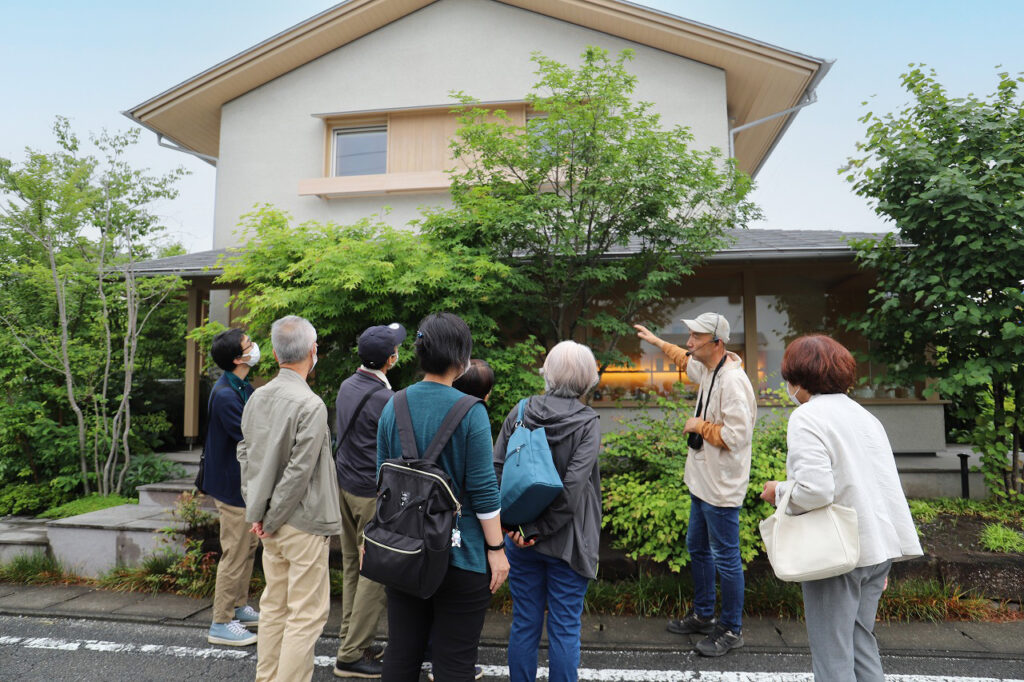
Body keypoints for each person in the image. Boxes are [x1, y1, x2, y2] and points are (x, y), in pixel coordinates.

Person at [761, 335, 922, 681]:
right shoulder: (864, 416)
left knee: (832, 655)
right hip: (877, 548)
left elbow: (815, 491)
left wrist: (778, 491)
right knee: (861, 643)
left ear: (799, 377)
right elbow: (882, 485)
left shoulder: (807, 417)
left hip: (837, 554)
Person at [376, 313, 510, 682]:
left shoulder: (394, 405)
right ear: (461, 358)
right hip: (461, 554)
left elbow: (381, 483)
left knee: (401, 655)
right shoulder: (471, 412)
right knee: (454, 664)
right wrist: (497, 551)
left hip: (404, 550)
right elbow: (484, 492)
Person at [634, 313, 756, 657]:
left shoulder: (733, 382)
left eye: (695, 337)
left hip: (721, 487)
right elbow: (681, 357)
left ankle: (732, 628)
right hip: (701, 481)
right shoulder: (709, 369)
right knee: (698, 548)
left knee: (727, 558)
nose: (689, 343)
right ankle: (704, 614)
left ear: (716, 343)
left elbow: (736, 436)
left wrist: (698, 426)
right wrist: (655, 341)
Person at [238, 315, 343, 682]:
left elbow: (245, 456)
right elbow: (299, 473)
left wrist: (258, 512)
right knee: (305, 615)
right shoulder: (310, 405)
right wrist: (272, 516)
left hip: (269, 523)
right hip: (301, 520)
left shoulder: (257, 397)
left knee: (274, 608)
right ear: (312, 351)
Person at [493, 341, 602, 682]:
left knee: (525, 621)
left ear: (549, 372)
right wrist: (535, 529)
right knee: (564, 628)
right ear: (586, 378)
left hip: (520, 539)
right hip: (568, 542)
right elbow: (571, 492)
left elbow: (498, 469)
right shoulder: (587, 422)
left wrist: (514, 528)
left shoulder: (521, 410)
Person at [333, 323, 406, 679]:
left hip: (343, 486)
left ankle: (352, 639)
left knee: (352, 565)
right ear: (391, 359)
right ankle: (350, 654)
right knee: (375, 573)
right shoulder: (387, 400)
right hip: (368, 495)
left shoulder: (348, 385)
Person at [203, 328, 261, 647]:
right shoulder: (226, 394)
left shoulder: (239, 385)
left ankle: (238, 606)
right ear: (238, 359)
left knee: (247, 548)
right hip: (231, 486)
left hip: (242, 484)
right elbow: (250, 438)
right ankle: (221, 621)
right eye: (248, 345)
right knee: (235, 552)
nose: (254, 348)